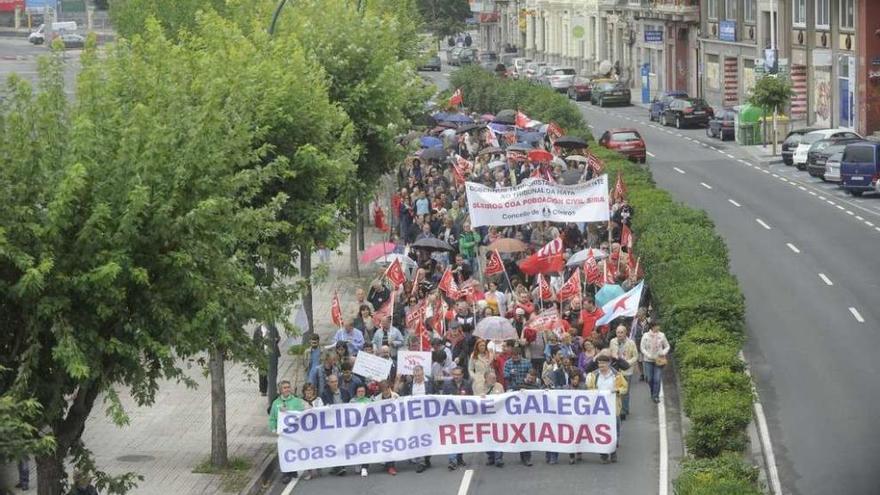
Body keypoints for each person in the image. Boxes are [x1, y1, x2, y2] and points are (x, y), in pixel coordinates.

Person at [586, 354, 628, 463]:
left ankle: (613, 451)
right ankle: (604, 454)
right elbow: (589, 388)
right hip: (600, 408)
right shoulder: (593, 376)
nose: (601, 366)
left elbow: (624, 387)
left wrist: (617, 391)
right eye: (599, 363)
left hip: (613, 407)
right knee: (601, 431)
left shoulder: (617, 375)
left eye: (603, 363)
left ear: (608, 364)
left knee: (614, 431)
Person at [397, 365, 435, 472]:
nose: (417, 377)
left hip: (428, 415)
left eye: (419, 375)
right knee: (419, 438)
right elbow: (403, 396)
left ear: (423, 374)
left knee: (428, 437)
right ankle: (421, 461)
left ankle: (426, 458)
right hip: (414, 416)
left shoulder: (430, 382)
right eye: (416, 375)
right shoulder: (409, 385)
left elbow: (436, 395)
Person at [269, 380, 305, 483]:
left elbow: (301, 414)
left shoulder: (296, 401)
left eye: (288, 387)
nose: (287, 389)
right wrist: (273, 429)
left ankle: (293, 470)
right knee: (284, 452)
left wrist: (288, 410)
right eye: (284, 388)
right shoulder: (276, 403)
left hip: (294, 432)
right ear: (280, 390)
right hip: (283, 434)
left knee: (293, 451)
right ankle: (286, 473)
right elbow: (272, 418)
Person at [442, 367, 472, 470]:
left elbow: (471, 399)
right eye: (454, 374)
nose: (456, 376)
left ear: (462, 375)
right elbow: (442, 401)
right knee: (452, 438)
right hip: (451, 417)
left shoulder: (467, 384)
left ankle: (460, 458)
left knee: (461, 438)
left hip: (463, 416)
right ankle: (452, 460)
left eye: (458, 375)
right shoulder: (447, 385)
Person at [475, 370, 505, 468]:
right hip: (485, 417)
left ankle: (498, 458)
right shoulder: (479, 387)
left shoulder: (499, 386)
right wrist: (480, 397)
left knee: (498, 437)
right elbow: (474, 401)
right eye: (492, 378)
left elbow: (504, 399)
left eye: (495, 378)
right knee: (487, 438)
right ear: (486, 378)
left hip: (497, 416)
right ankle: (491, 457)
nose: (494, 380)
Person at [609, 325, 639, 419]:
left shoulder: (631, 343)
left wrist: (627, 363)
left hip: (627, 370)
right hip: (616, 371)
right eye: (618, 332)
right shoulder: (613, 342)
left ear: (626, 333)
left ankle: (624, 410)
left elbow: (635, 356)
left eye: (622, 332)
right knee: (617, 391)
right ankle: (617, 409)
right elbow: (611, 353)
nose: (620, 334)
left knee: (625, 391)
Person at [640, 321, 670, 403]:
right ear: (652, 327)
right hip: (648, 360)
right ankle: (653, 391)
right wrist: (648, 355)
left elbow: (667, 346)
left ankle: (655, 396)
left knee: (657, 378)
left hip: (659, 360)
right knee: (650, 379)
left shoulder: (662, 335)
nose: (658, 328)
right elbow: (642, 348)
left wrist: (663, 352)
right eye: (657, 326)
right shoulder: (645, 336)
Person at [300, 383, 324, 480]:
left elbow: (322, 411)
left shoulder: (318, 400)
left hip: (317, 429)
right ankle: (309, 471)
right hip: (305, 430)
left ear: (314, 391)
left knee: (317, 448)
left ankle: (319, 466)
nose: (309, 392)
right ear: (304, 391)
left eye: (310, 390)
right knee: (307, 450)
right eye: (307, 390)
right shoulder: (301, 401)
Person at [349, 384, 373, 477]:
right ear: (356, 392)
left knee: (366, 447)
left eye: (362, 391)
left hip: (366, 429)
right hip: (355, 429)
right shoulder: (352, 401)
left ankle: (364, 467)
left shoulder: (369, 401)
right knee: (357, 447)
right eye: (359, 391)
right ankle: (357, 463)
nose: (361, 393)